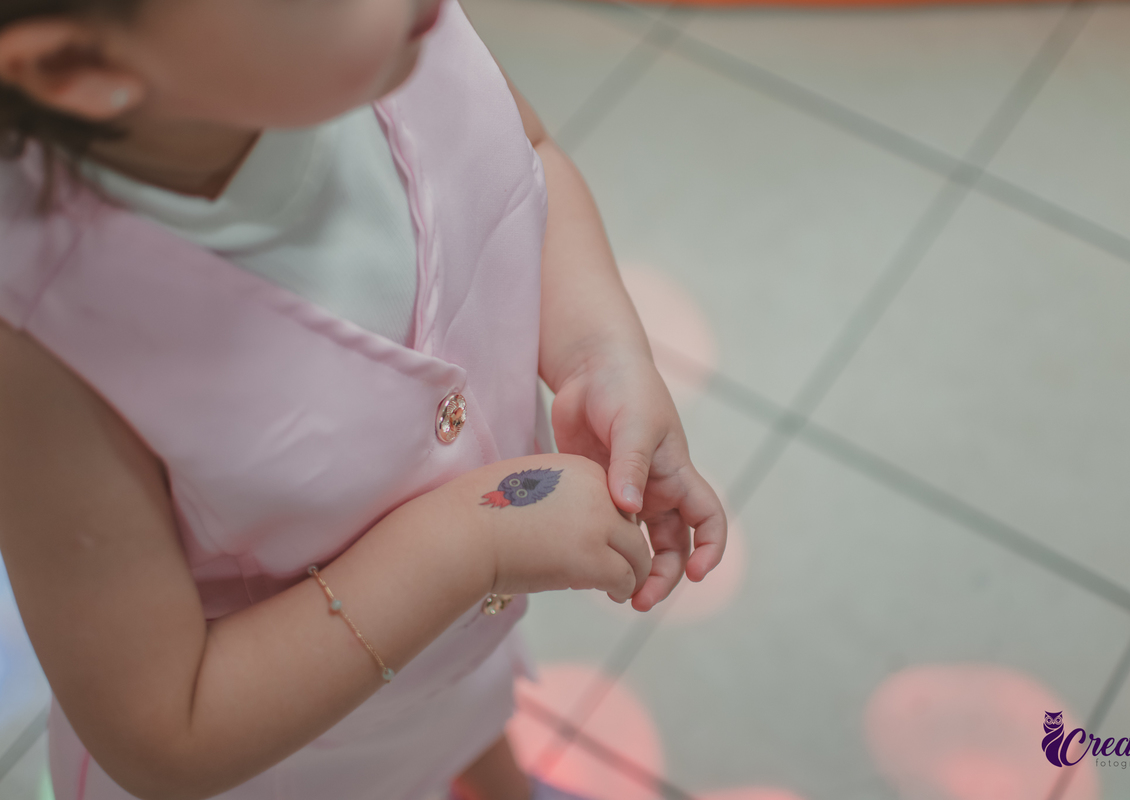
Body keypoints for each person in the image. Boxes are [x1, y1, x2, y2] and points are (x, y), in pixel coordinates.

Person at [0, 0, 728, 799]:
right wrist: (474, 543)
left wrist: (599, 353)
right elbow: (167, 728)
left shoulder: (404, 37)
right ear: (80, 70)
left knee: (468, 725)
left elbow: (529, 154)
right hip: (288, 768)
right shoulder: (46, 341)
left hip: (448, 678)